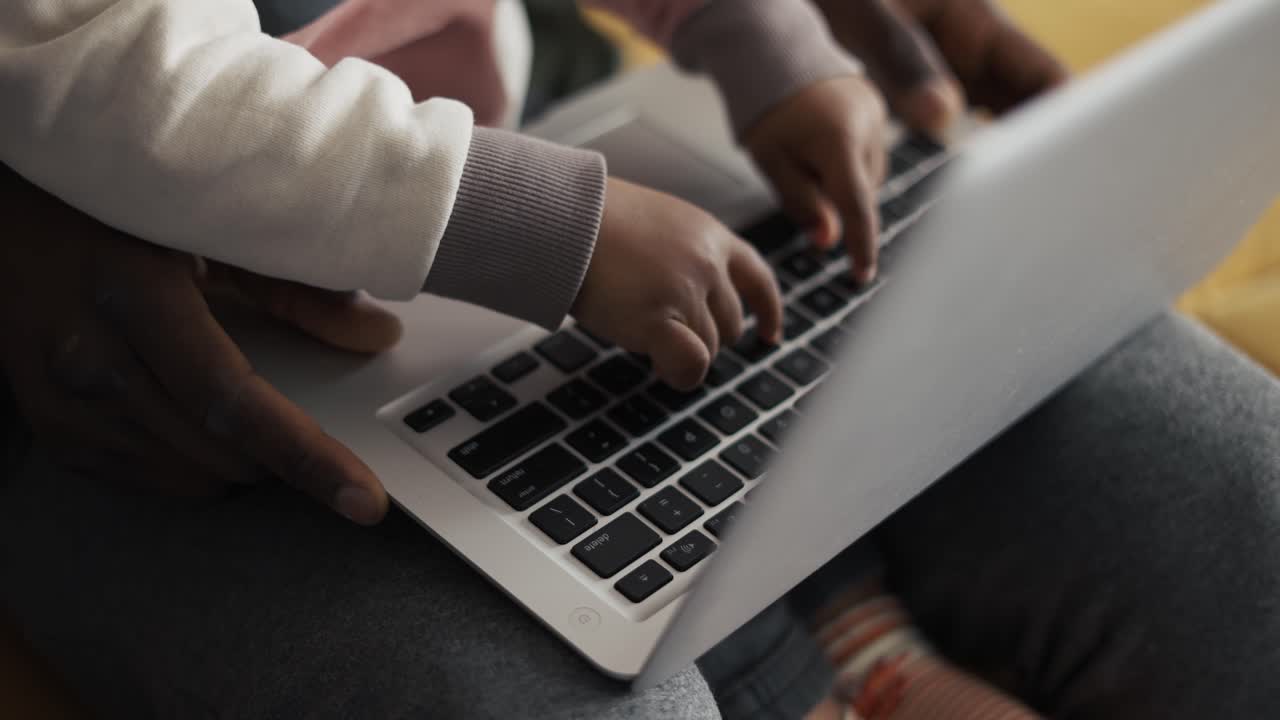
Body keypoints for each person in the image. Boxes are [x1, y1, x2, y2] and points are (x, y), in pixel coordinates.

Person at [2, 1, 1279, 719]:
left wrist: (764, 45)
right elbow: (115, 72)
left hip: (521, 145)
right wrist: (545, 226)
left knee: (1250, 521)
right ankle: (815, 653)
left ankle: (812, 611)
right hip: (163, 342)